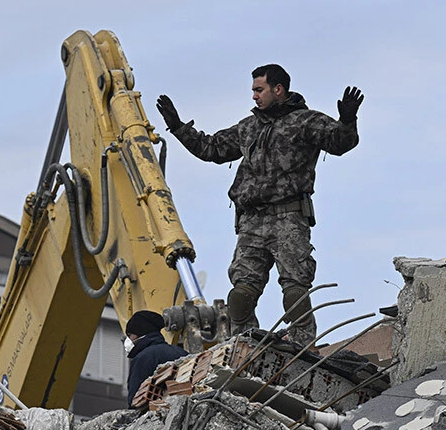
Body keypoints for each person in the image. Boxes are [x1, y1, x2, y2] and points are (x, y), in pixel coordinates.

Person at [155, 64, 363, 345]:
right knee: (240, 296)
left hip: (288, 218)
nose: (254, 96)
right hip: (252, 222)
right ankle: (245, 345)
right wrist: (178, 127)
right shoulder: (249, 127)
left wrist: (348, 121)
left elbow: (339, 143)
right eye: (253, 90)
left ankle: (302, 346)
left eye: (259, 90)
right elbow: (212, 149)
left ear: (278, 90)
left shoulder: (305, 121)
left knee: (295, 292)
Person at [124, 310, 187, 407]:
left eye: (129, 335)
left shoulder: (143, 358)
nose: (128, 339)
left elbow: (135, 399)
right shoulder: (182, 353)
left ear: (139, 333)